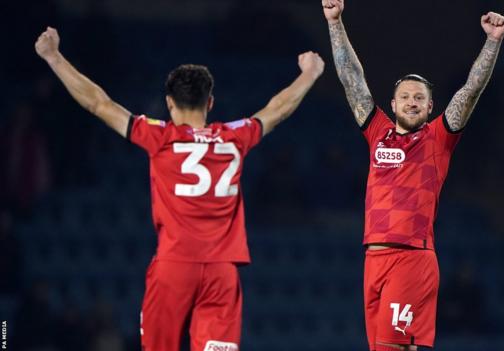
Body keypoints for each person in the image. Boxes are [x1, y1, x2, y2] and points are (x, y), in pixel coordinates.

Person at [35, 26, 325, 351]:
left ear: (169, 104)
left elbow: (98, 104)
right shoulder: (234, 137)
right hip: (222, 272)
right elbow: (278, 109)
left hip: (173, 268)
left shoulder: (159, 137)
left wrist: (54, 57)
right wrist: (309, 75)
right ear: (210, 102)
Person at [321, 1, 504, 350]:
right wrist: (335, 22)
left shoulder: (438, 138)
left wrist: (493, 41)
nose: (411, 102)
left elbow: (469, 92)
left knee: (392, 346)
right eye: (404, 97)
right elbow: (352, 80)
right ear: (391, 105)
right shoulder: (377, 132)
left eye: (418, 98)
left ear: (430, 106)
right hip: (373, 260)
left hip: (411, 258)